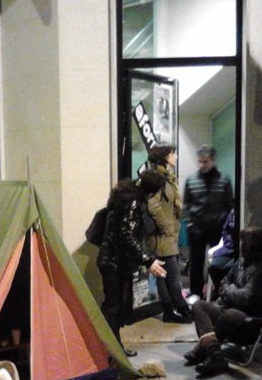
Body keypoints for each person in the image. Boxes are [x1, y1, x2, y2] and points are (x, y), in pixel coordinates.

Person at [182, 226, 262, 375]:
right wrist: (228, 290)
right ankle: (214, 354)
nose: (241, 246)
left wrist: (227, 290)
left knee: (231, 314)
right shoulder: (241, 262)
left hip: (250, 322)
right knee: (199, 306)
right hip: (230, 310)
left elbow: (245, 297)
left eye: (245, 242)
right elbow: (223, 281)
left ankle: (205, 349)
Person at [97, 170, 167, 357]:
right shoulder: (133, 202)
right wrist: (148, 260)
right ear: (151, 191)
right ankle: (112, 352)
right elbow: (127, 236)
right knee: (113, 306)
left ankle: (114, 349)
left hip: (111, 261)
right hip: (115, 263)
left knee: (115, 305)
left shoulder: (123, 194)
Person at [146, 142, 193, 324]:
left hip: (166, 235)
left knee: (164, 275)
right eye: (173, 153)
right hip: (161, 235)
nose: (176, 156)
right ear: (165, 156)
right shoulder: (158, 178)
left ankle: (169, 311)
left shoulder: (165, 177)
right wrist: (166, 225)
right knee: (172, 274)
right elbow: (152, 203)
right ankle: (182, 309)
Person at [183, 145, 234, 298]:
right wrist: (190, 224)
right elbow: (187, 203)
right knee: (196, 263)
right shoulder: (191, 180)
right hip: (197, 228)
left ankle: (218, 292)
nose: (202, 165)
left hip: (218, 227)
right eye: (199, 162)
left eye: (205, 162)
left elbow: (230, 203)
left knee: (218, 262)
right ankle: (196, 292)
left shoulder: (224, 179)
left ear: (212, 160)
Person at [205, 208, 236, 300]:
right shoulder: (232, 213)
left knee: (228, 268)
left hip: (239, 249)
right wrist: (228, 243)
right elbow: (225, 230)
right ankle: (221, 293)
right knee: (214, 266)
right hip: (228, 248)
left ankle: (230, 297)